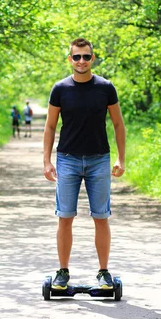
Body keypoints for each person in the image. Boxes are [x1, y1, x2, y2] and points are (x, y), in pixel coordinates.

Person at [43, 38, 126, 291]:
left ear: (93, 58)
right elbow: (49, 126)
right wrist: (46, 160)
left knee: (101, 217)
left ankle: (103, 273)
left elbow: (118, 124)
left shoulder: (105, 88)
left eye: (86, 57)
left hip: (98, 160)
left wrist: (121, 158)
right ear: (70, 59)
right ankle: (62, 273)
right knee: (65, 217)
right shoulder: (60, 89)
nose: (81, 61)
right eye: (76, 57)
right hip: (67, 159)